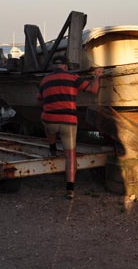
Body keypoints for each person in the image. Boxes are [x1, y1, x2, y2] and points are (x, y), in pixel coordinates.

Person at [37, 55, 104, 199]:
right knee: (70, 155)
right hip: (68, 121)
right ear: (66, 66)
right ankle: (70, 189)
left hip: (50, 120)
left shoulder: (44, 80)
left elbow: (39, 102)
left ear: (53, 67)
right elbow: (93, 89)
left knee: (46, 120)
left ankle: (53, 147)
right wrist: (97, 76)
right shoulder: (73, 78)